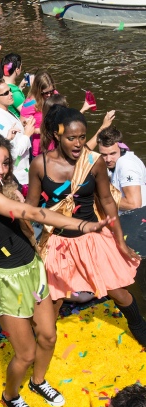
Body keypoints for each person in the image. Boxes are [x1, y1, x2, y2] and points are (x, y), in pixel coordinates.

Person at [0, 131, 117, 407]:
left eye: (5, 163)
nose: (1, 170)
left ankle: (38, 381)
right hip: (8, 282)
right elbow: (35, 214)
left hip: (33, 271)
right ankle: (11, 396)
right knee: (25, 353)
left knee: (49, 337)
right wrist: (84, 226)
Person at [27, 106, 146, 348]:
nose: (79, 143)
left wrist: (120, 242)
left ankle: (139, 327)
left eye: (83, 137)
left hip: (93, 240)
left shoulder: (95, 162)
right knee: (53, 302)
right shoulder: (40, 166)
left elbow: (106, 201)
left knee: (118, 291)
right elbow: (30, 209)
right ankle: (41, 347)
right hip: (58, 244)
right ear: (57, 135)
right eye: (72, 138)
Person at [0, 79, 35, 185]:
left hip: (24, 167)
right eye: (6, 93)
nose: (11, 94)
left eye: (10, 90)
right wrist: (26, 135)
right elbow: (11, 154)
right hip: (18, 175)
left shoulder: (3, 109)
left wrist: (23, 126)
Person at [97, 126, 146, 211]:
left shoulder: (126, 165)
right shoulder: (118, 160)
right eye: (104, 155)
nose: (108, 159)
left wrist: (99, 199)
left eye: (112, 153)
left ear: (121, 148)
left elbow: (134, 205)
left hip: (136, 220)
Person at [2, 54, 26, 118]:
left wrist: (20, 88)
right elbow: (27, 112)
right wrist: (34, 91)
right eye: (21, 66)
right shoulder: (15, 93)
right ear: (17, 70)